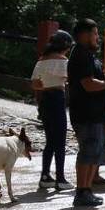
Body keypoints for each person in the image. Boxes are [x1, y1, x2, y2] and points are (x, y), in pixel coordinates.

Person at [67, 19, 105, 208]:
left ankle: (87, 190)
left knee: (95, 152)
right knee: (88, 151)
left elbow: (97, 82)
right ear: (84, 34)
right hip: (86, 113)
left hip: (95, 113)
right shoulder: (81, 55)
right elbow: (88, 84)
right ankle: (81, 191)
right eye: (95, 33)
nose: (97, 37)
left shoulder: (89, 55)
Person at [30, 29, 73, 189]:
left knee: (50, 141)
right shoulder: (64, 62)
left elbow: (34, 84)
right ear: (65, 46)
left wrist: (45, 84)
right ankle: (60, 179)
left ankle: (45, 175)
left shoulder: (41, 61)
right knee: (60, 141)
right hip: (57, 99)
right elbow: (71, 80)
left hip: (45, 100)